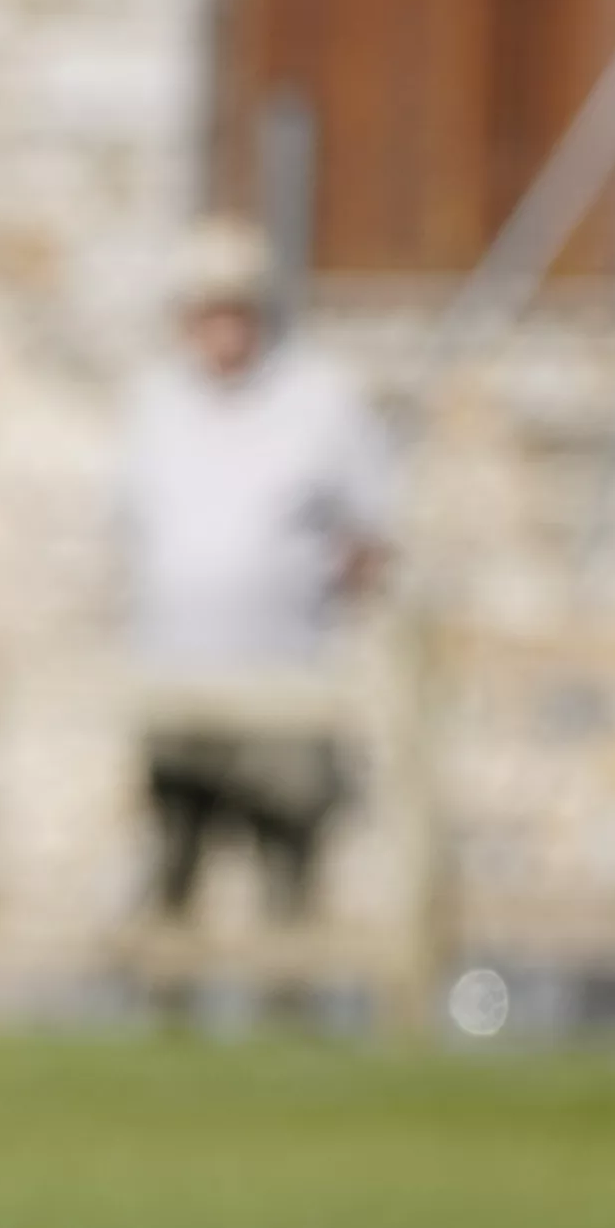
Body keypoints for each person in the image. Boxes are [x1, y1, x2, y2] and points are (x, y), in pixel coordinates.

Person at [115, 220, 397, 922]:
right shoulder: (157, 403)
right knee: (173, 868)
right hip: (178, 679)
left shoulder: (318, 400)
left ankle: (289, 1014)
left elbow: (373, 531)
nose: (223, 329)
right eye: (208, 311)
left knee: (289, 864)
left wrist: (303, 597)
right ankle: (164, 1022)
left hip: (285, 680)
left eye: (237, 310)